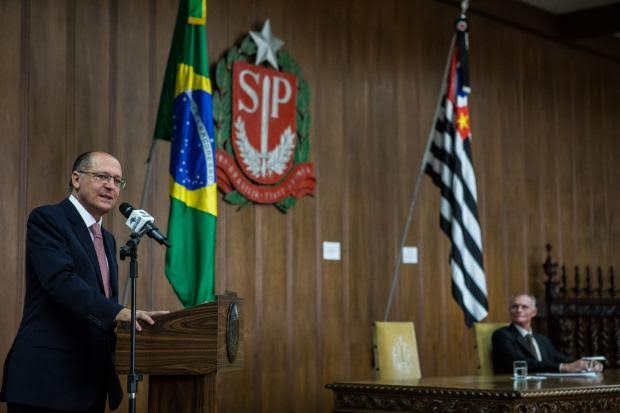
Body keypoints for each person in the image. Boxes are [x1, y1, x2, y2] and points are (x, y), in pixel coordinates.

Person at [0, 151, 168, 413]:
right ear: (76, 179)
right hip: (46, 382)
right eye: (102, 176)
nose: (111, 186)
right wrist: (118, 312)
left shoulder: (107, 239)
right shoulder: (48, 219)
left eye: (117, 181)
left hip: (90, 383)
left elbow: (101, 305)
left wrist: (135, 323)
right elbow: (60, 281)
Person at [492, 293, 603, 374]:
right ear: (509, 310)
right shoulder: (501, 335)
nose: (519, 310)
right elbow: (520, 362)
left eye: (524, 307)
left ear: (534, 312)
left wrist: (587, 364)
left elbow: (558, 358)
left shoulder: (541, 339)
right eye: (515, 306)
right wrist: (564, 367)